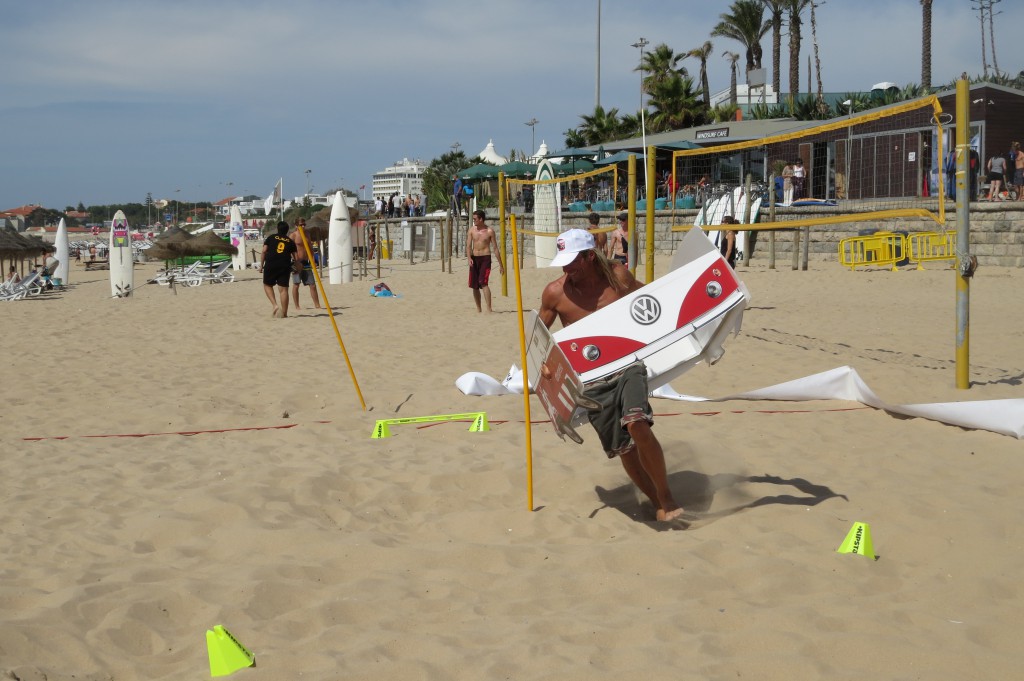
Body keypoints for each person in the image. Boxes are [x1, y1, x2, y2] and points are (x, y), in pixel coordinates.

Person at [538, 228, 683, 522]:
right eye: (563, 263)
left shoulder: (619, 277)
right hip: (590, 377)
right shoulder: (555, 292)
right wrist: (544, 365)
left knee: (637, 423)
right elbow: (539, 340)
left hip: (627, 362)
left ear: (590, 256)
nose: (567, 269)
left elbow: (654, 301)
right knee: (624, 448)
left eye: (572, 262)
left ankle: (667, 497)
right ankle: (655, 501)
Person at [466, 209, 504, 313]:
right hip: (474, 258)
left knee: (483, 282)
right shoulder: (471, 230)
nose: (474, 221)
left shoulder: (489, 231)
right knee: (475, 285)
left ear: (481, 219)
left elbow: (495, 248)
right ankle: (479, 309)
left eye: (475, 219)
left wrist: (501, 265)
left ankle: (489, 309)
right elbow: (468, 246)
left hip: (485, 258)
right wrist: (469, 258)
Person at [260, 220, 297, 318]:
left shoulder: (271, 237)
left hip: (271, 263)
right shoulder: (290, 241)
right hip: (284, 265)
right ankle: (284, 313)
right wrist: (297, 267)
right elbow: (296, 258)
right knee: (284, 290)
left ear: (277, 229)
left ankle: (275, 305)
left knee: (267, 285)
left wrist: (261, 265)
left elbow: (264, 251)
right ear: (287, 231)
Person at [289, 218, 321, 310]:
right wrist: (294, 261)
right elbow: (289, 250)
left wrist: (313, 261)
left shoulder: (307, 234)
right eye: (301, 225)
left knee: (312, 284)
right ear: (296, 226)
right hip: (296, 262)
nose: (303, 226)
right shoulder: (293, 235)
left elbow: (310, 248)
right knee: (296, 284)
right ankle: (297, 306)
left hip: (306, 261)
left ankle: (317, 304)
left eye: (304, 224)